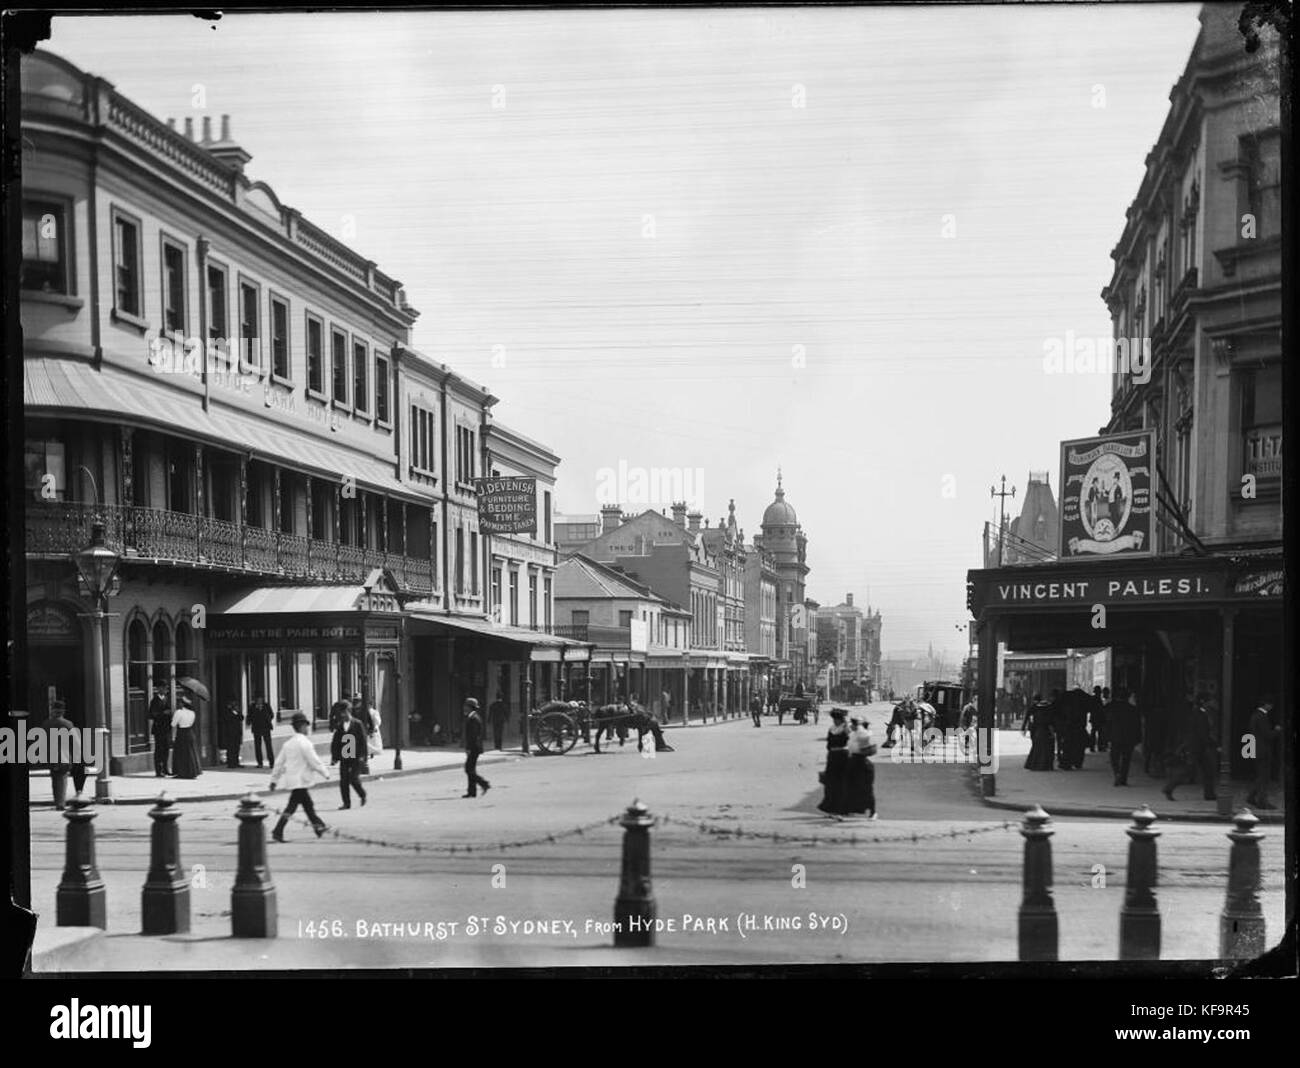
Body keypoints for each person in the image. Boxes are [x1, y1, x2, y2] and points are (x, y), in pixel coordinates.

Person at [269, 711, 329, 842]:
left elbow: (279, 763)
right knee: (294, 807)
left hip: (293, 781)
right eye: (306, 726)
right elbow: (314, 761)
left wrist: (274, 780)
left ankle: (319, 827)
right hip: (301, 781)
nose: (307, 728)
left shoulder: (288, 744)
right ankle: (278, 831)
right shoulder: (305, 743)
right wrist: (325, 773)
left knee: (307, 806)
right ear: (301, 726)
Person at [1163, 694, 1217, 802]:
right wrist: (1213, 744)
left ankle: (1209, 793)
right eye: (1210, 701)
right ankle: (1169, 788)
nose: (1213, 703)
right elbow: (1202, 733)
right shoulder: (1200, 714)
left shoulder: (1200, 713)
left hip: (1198, 747)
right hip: (1197, 747)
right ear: (1205, 702)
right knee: (1189, 770)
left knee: (1207, 771)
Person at [41, 700, 87, 808]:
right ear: (62, 711)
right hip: (64, 755)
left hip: (51, 755)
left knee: (55, 778)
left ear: (52, 711)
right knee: (62, 777)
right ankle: (60, 803)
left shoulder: (46, 723)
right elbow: (75, 741)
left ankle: (58, 800)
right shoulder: (67, 724)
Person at [330, 701, 368, 809]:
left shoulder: (357, 724)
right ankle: (346, 803)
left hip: (356, 757)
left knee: (353, 778)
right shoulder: (340, 726)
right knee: (343, 781)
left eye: (345, 712)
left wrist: (363, 757)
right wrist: (334, 757)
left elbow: (363, 741)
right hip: (344, 757)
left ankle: (362, 794)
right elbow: (336, 743)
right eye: (341, 713)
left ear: (349, 712)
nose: (343, 715)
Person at [1246, 695, 1279, 810]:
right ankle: (1262, 801)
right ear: (1266, 705)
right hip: (1263, 750)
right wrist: (1276, 731)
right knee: (1264, 777)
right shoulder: (1262, 717)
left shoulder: (1255, 715)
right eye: (1271, 705)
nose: (1271, 707)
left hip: (1255, 748)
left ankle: (1251, 797)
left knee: (1261, 775)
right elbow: (1267, 735)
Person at [817, 709, 850, 818]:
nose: (835, 721)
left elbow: (848, 742)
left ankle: (841, 810)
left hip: (843, 756)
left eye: (837, 720)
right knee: (830, 784)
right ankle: (831, 809)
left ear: (841, 720)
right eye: (834, 720)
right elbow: (828, 744)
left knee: (841, 784)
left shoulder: (846, 729)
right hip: (832, 757)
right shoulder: (832, 729)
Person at [843, 718, 878, 819]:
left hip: (861, 763)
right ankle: (848, 810)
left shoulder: (862, 734)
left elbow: (865, 748)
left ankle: (873, 812)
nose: (851, 727)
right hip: (853, 762)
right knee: (850, 787)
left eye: (852, 725)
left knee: (866, 789)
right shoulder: (853, 734)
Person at [1107, 688, 1140, 786]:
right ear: (1128, 697)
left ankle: (1117, 773)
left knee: (1114, 757)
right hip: (1129, 737)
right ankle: (1123, 779)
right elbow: (1137, 725)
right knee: (1126, 759)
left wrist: (1107, 736)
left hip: (1115, 737)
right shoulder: (1133, 709)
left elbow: (1107, 723)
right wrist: (1138, 738)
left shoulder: (1111, 707)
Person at [462, 698, 491, 798]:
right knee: (471, 769)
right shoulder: (472, 717)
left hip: (474, 747)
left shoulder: (473, 718)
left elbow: (473, 736)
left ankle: (484, 783)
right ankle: (472, 792)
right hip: (474, 747)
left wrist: (469, 748)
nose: (464, 707)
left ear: (470, 707)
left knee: (468, 769)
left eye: (466, 706)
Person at [171, 695, 202, 779]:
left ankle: (182, 772)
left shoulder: (179, 712)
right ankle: (192, 771)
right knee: (191, 752)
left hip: (181, 733)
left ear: (182, 704)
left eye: (179, 703)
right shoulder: (192, 713)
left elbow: (173, 724)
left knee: (181, 753)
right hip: (190, 732)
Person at [1022, 693, 1055, 772]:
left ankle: (1035, 764)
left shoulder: (1034, 708)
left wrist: (1024, 728)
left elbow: (1027, 717)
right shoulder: (1048, 708)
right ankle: (1046, 765)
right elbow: (1051, 722)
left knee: (1036, 748)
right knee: (1046, 749)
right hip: (1046, 731)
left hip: (1036, 730)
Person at [247, 693, 275, 769]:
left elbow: (272, 715)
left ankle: (272, 763)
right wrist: (251, 721)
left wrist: (267, 719)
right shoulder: (252, 707)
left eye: (261, 699)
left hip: (266, 728)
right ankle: (260, 763)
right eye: (258, 700)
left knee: (268, 745)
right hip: (256, 728)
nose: (259, 701)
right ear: (255, 700)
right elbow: (249, 716)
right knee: (257, 746)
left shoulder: (266, 706)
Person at [149, 689, 173, 777]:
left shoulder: (166, 699)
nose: (166, 690)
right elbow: (151, 714)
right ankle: (158, 770)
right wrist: (163, 713)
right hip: (158, 728)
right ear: (160, 689)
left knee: (166, 749)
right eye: (164, 688)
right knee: (159, 749)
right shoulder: (154, 701)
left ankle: (166, 768)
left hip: (166, 728)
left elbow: (169, 711)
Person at [222, 699, 244, 768]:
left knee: (236, 748)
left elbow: (241, 718)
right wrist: (234, 712)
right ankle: (230, 763)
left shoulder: (237, 713)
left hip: (237, 733)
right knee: (230, 748)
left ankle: (236, 762)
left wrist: (237, 712)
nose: (236, 707)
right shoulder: (228, 712)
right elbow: (227, 719)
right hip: (230, 733)